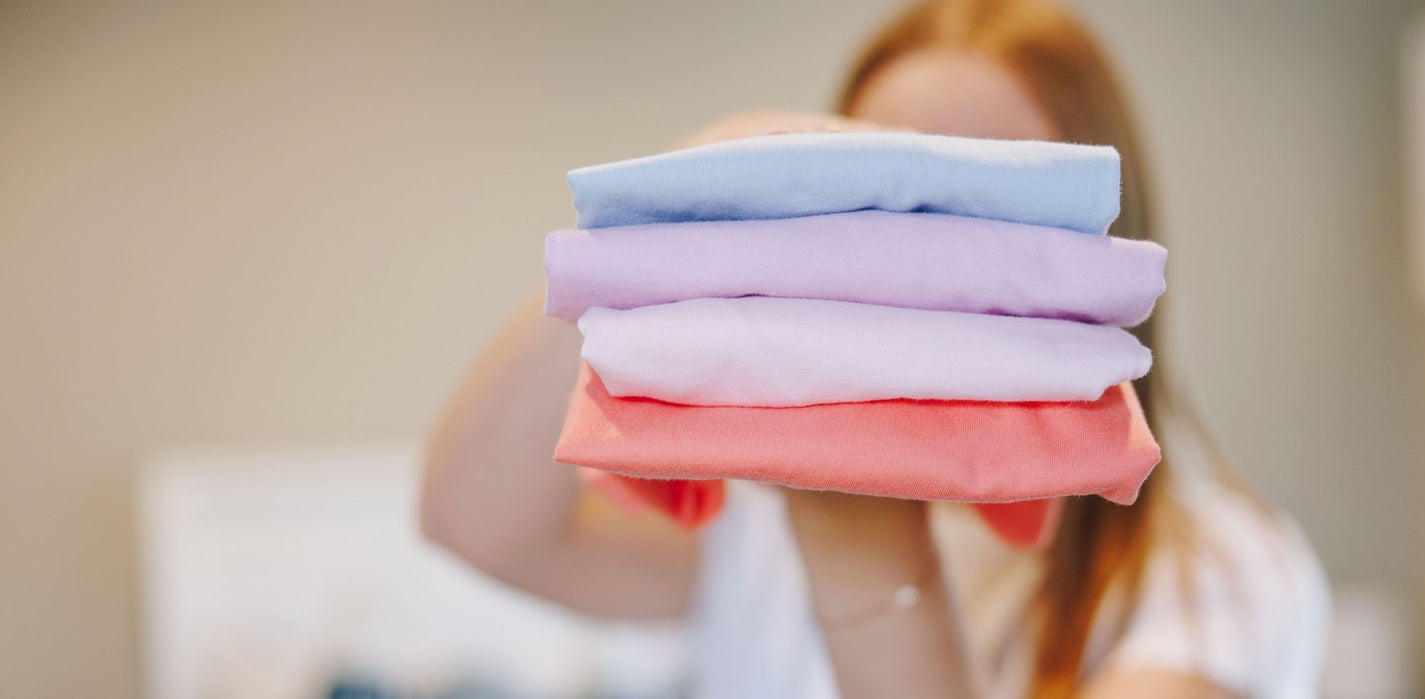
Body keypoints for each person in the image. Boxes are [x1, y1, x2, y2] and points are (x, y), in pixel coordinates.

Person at [420, 0, 1330, 697]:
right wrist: (674, 223)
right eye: (879, 203)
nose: (923, 257)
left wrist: (866, 556)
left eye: (988, 201)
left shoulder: (1215, 577)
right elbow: (474, 522)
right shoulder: (756, 533)